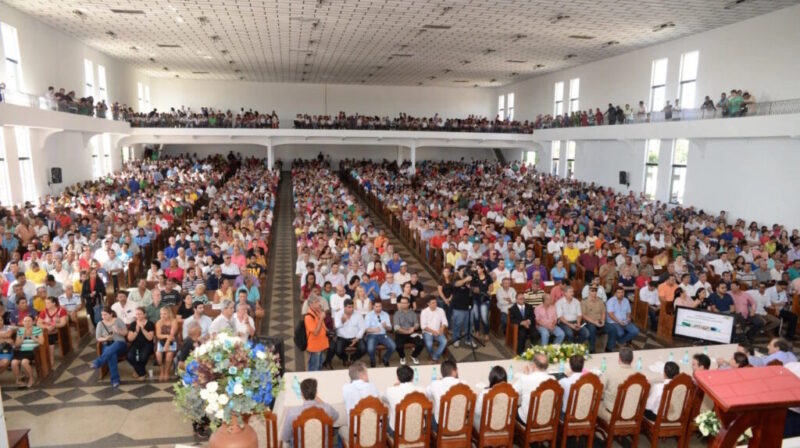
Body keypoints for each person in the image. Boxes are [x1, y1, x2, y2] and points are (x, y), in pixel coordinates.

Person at [279, 378, 340, 447]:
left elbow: (285, 437)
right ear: (316, 392)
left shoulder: (292, 413)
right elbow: (336, 416)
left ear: (301, 394)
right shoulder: (327, 409)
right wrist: (322, 402)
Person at [89, 307, 128, 388]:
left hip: (120, 345)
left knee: (116, 345)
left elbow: (125, 333)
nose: (103, 317)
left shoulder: (117, 320)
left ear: (111, 314)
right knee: (111, 355)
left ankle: (98, 362)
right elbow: (98, 338)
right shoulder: (100, 324)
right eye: (102, 315)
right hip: (107, 344)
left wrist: (118, 331)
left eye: (105, 315)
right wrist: (106, 338)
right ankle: (115, 380)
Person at [382, 365, 422, 437]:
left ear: (397, 378)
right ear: (412, 377)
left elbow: (383, 398)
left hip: (397, 433)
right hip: (418, 432)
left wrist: (394, 387)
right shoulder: (422, 391)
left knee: (383, 420)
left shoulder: (390, 391)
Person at [513, 352, 550, 422]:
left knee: (512, 408)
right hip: (547, 419)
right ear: (547, 366)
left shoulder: (525, 379)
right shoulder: (553, 380)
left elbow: (511, 391)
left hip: (528, 419)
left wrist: (525, 375)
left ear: (533, 365)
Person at [426, 360, 461, 429]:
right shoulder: (463, 384)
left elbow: (425, 396)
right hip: (460, 425)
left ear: (442, 373)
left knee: (427, 416)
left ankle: (434, 438)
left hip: (441, 426)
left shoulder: (435, 384)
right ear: (454, 371)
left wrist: (438, 381)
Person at [11, 316, 43, 388]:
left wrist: (33, 336)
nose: (27, 323)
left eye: (29, 321)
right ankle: (19, 379)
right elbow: (16, 344)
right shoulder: (20, 330)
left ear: (33, 322)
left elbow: (42, 342)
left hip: (33, 350)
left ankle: (31, 378)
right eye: (25, 321)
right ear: (23, 322)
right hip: (22, 350)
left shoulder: (37, 329)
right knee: (13, 363)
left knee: (24, 362)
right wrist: (23, 337)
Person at [332, 298, 367, 366]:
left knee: (363, 349)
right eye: (349, 307)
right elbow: (336, 326)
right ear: (344, 307)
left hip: (355, 337)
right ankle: (345, 358)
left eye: (352, 307)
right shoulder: (338, 314)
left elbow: (362, 328)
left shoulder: (358, 314)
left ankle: (353, 358)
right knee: (338, 351)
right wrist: (342, 321)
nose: (351, 309)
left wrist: (357, 338)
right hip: (342, 337)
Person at [473, 365, 508, 430]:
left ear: (490, 378)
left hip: (486, 428)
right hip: (503, 426)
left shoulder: (485, 393)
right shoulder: (510, 393)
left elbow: (477, 411)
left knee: (472, 414)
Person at [602, 347, 634, 415]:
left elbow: (600, 389)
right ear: (632, 360)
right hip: (631, 410)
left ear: (619, 359)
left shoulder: (610, 372)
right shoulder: (638, 375)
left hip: (611, 410)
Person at [37, 296, 67, 367]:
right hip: (46, 331)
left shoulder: (61, 310)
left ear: (54, 303)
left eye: (48, 303)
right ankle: (42, 358)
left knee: (50, 338)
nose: (46, 305)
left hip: (57, 331)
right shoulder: (44, 311)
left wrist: (54, 325)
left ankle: (51, 358)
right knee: (41, 336)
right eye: (46, 303)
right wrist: (47, 327)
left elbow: (63, 323)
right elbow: (38, 323)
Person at [393, 296, 424, 365]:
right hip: (400, 333)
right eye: (402, 303)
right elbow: (396, 327)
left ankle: (414, 356)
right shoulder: (397, 314)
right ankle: (402, 356)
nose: (403, 304)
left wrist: (413, 328)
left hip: (411, 332)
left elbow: (417, 324)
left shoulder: (413, 313)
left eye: (405, 303)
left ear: (408, 304)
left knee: (421, 343)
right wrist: (406, 331)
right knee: (398, 346)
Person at [364, 301, 396, 367]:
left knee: (393, 346)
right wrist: (374, 330)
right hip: (372, 335)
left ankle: (385, 358)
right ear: (373, 306)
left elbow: (390, 328)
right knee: (370, 349)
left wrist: (386, 327)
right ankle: (373, 361)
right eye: (376, 306)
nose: (378, 308)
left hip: (383, 335)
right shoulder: (368, 315)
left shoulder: (385, 314)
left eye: (380, 306)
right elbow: (366, 329)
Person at [126, 307, 154, 380]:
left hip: (147, 344)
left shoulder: (150, 324)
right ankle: (142, 372)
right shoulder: (133, 324)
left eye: (140, 314)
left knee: (143, 357)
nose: (138, 316)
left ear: (144, 314)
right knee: (129, 356)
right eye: (137, 314)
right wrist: (136, 331)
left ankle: (137, 370)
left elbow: (150, 338)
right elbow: (129, 339)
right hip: (135, 344)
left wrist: (143, 329)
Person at [304, 296, 329, 371]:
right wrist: (321, 318)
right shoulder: (308, 317)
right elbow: (315, 332)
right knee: (314, 368)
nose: (318, 304)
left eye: (318, 301)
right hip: (315, 347)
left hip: (321, 344)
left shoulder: (317, 312)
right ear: (310, 304)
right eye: (316, 302)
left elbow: (323, 326)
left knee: (320, 366)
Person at [420, 296, 448, 361]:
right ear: (428, 304)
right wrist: (433, 331)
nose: (435, 304)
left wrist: (441, 329)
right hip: (428, 332)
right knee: (429, 344)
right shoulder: (424, 312)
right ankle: (433, 354)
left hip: (438, 331)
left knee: (444, 341)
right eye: (433, 303)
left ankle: (435, 356)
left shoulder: (441, 310)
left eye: (435, 302)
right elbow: (423, 326)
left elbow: (445, 321)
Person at [155, 307, 178, 381]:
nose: (162, 315)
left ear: (169, 314)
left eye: (164, 314)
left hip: (172, 340)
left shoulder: (174, 321)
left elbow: (172, 334)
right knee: (158, 354)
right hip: (161, 341)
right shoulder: (158, 322)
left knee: (169, 354)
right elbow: (158, 335)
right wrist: (166, 336)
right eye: (161, 314)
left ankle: (166, 372)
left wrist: (167, 342)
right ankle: (161, 371)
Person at [581, 286, 606, 353]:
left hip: (600, 321)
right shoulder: (584, 301)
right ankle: (592, 349)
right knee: (592, 329)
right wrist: (594, 322)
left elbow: (603, 312)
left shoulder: (600, 300)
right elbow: (583, 315)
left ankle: (609, 348)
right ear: (588, 291)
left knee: (612, 329)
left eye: (595, 291)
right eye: (592, 291)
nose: (594, 292)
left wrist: (603, 320)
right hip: (589, 322)